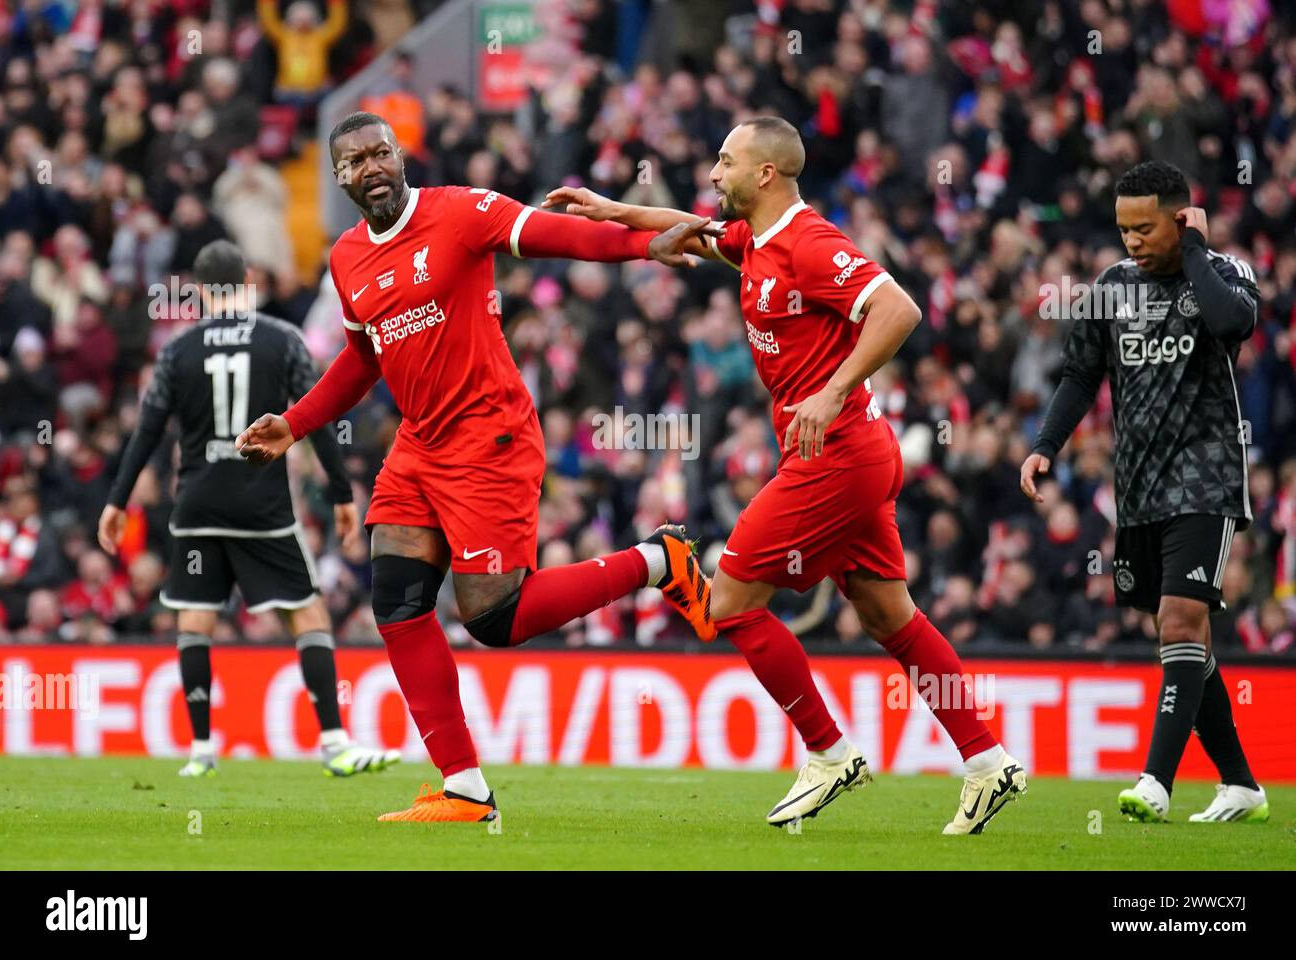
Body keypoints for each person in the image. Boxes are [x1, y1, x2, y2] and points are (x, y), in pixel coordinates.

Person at [545, 116, 1026, 834]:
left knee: (732, 600)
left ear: (765, 173)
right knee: (890, 617)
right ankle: (988, 763)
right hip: (852, 452)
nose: (714, 173)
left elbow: (899, 308)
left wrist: (832, 390)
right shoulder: (755, 240)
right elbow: (696, 229)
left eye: (725, 161)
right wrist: (612, 209)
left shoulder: (809, 243)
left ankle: (829, 752)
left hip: (836, 449)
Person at [235, 112, 716, 824]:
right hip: (420, 443)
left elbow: (555, 235)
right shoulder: (345, 258)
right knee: (396, 603)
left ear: (400, 157)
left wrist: (646, 245)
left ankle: (659, 560)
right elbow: (365, 357)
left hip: (489, 436)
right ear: (339, 177)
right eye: (354, 161)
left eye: (380, 153)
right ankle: (463, 786)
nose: (370, 167)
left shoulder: (459, 212)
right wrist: (297, 422)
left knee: (493, 618)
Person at [1022, 160, 1269, 824]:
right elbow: (1080, 375)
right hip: (1138, 484)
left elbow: (1231, 326)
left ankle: (1155, 782)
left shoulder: (1224, 273)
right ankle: (1241, 785)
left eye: (1145, 227)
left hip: (1207, 477)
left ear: (1181, 217)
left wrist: (1193, 250)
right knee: (1188, 636)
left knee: (1180, 621)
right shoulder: (1111, 288)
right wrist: (1047, 444)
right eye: (1123, 228)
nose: (1131, 240)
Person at [99, 239, 398, 779]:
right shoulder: (280, 339)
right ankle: (335, 744)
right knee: (307, 613)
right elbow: (315, 417)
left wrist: (117, 500)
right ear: (248, 280)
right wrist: (338, 492)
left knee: (195, 618)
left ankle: (200, 751)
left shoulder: (177, 348)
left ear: (197, 287)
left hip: (197, 501)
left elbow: (147, 430)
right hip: (261, 503)